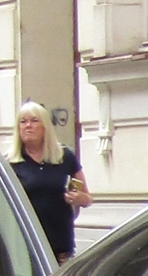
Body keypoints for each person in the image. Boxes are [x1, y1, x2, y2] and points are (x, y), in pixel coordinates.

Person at [8, 100, 90, 261]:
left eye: (34, 121)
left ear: (45, 126)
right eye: (23, 122)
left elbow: (87, 198)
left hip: (60, 247)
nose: (28, 126)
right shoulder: (11, 163)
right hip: (26, 247)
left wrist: (79, 198)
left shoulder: (64, 157)